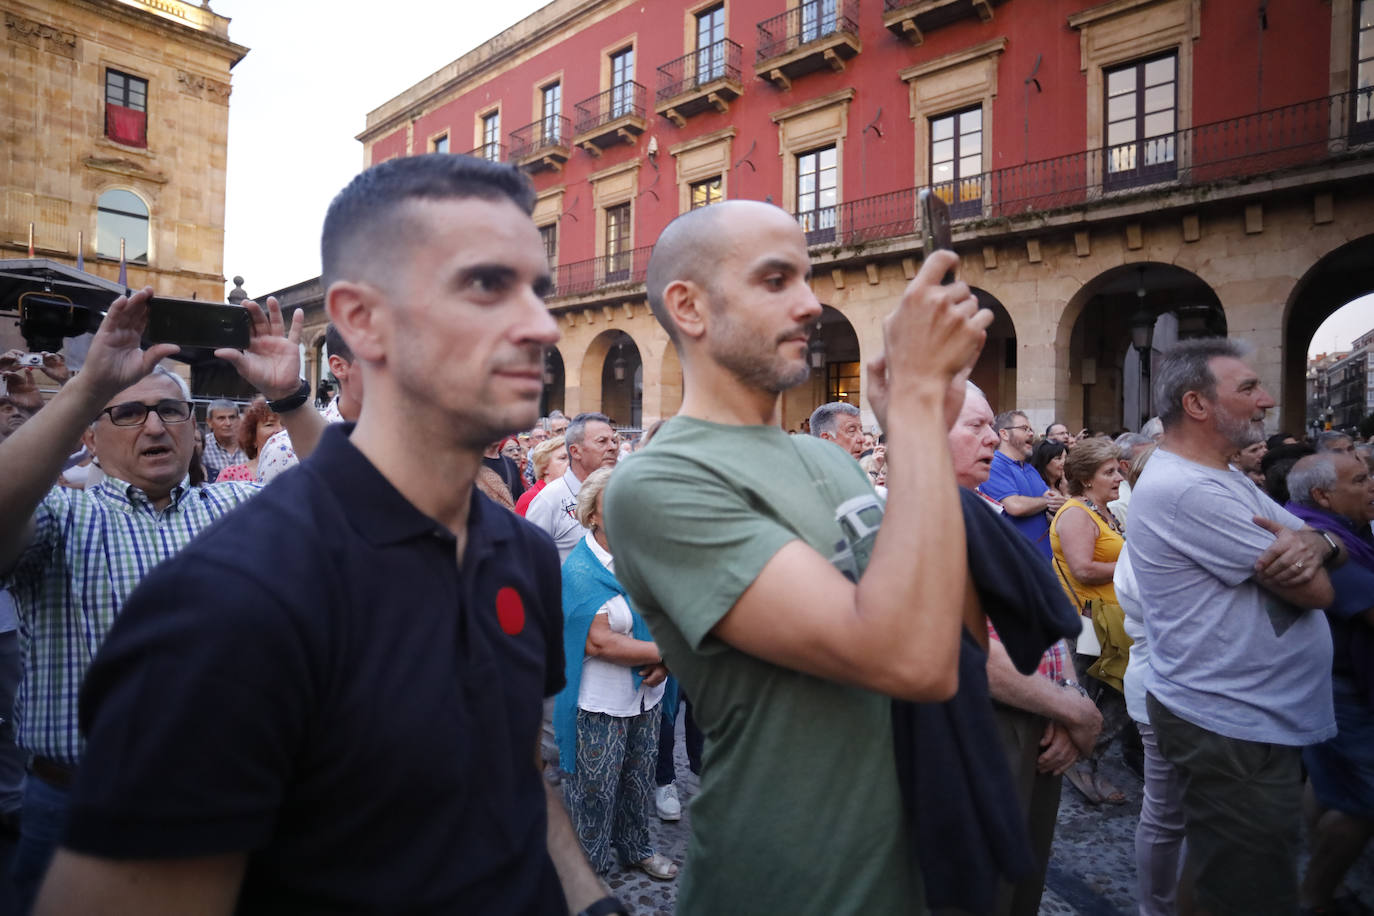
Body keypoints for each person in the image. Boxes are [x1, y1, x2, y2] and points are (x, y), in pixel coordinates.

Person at [35, 154, 617, 915]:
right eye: (485, 285)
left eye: (537, 291)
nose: (541, 324)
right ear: (364, 319)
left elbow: (516, 772)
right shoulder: (226, 604)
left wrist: (592, 902)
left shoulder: (524, 555)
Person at [602, 199, 991, 914]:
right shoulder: (658, 484)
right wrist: (908, 404)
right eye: (777, 280)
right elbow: (913, 661)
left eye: (808, 280)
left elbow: (955, 636)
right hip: (788, 884)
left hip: (912, 872)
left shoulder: (827, 458)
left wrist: (920, 435)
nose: (812, 305)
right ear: (689, 306)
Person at [0, 290, 322, 913]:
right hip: (80, 808)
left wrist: (290, 398)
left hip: (225, 803)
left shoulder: (238, 509)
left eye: (172, 411)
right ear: (89, 436)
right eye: (127, 414)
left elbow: (359, 505)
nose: (154, 426)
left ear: (195, 432)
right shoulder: (60, 518)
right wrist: (88, 387)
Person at [1130, 337, 1342, 916]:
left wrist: (1321, 540)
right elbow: (1322, 592)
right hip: (1233, 723)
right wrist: (1322, 551)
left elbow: (1323, 537)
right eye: (1247, 388)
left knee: (1221, 862)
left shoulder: (1224, 478)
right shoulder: (1188, 488)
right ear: (1197, 404)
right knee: (1248, 888)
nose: (1267, 399)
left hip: (1244, 715)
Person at [949, 382, 1101, 916]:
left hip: (1034, 710)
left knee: (1021, 877)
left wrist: (1061, 696)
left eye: (993, 425)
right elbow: (960, 645)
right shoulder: (923, 521)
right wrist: (1070, 708)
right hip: (988, 722)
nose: (993, 438)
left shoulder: (982, 511)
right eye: (976, 426)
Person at [554, 467, 678, 882]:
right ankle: (587, 868)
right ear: (593, 516)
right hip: (599, 703)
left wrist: (666, 661)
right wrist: (674, 652)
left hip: (647, 694)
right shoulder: (581, 570)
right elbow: (601, 643)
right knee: (595, 790)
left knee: (639, 780)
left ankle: (637, 848)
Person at [1283, 452, 1374, 916]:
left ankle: (1322, 887)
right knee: (1362, 802)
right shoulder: (1314, 536)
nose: (1372, 485)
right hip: (1341, 687)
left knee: (1328, 781)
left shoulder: (1325, 531)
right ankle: (1316, 896)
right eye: (1360, 479)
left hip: (1327, 680)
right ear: (1322, 496)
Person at [1049, 437, 1130, 806]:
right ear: (1085, 479)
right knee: (1095, 697)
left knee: (1113, 697)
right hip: (1090, 623)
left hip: (1113, 621)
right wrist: (1135, 566)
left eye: (1118, 469)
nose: (1118, 477)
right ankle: (1079, 765)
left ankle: (1085, 763)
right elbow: (1083, 568)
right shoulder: (1077, 513)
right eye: (1109, 472)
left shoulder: (1103, 512)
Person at [526, 412, 619, 562]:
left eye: (614, 441)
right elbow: (529, 562)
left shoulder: (621, 492)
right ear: (575, 451)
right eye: (602, 441)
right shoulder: (549, 500)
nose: (612, 447)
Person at [985, 410, 1065, 559]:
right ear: (1004, 434)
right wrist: (1049, 501)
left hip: (1042, 561)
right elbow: (1015, 506)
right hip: (1015, 562)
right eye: (1024, 429)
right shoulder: (995, 465)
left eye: (1031, 430)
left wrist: (1060, 501)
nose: (1031, 434)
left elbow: (1053, 498)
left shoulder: (1029, 469)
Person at [215, 396, 282, 482]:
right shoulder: (232, 476)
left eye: (285, 424)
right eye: (269, 424)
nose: (280, 430)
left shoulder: (302, 473)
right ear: (252, 436)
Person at [516, 434, 569, 516]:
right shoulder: (531, 498)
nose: (570, 463)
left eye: (571, 458)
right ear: (544, 467)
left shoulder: (571, 492)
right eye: (563, 458)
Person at [200, 399, 244, 483]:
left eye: (232, 417)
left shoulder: (252, 445)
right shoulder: (202, 446)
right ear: (209, 422)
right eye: (221, 418)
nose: (228, 423)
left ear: (238, 420)